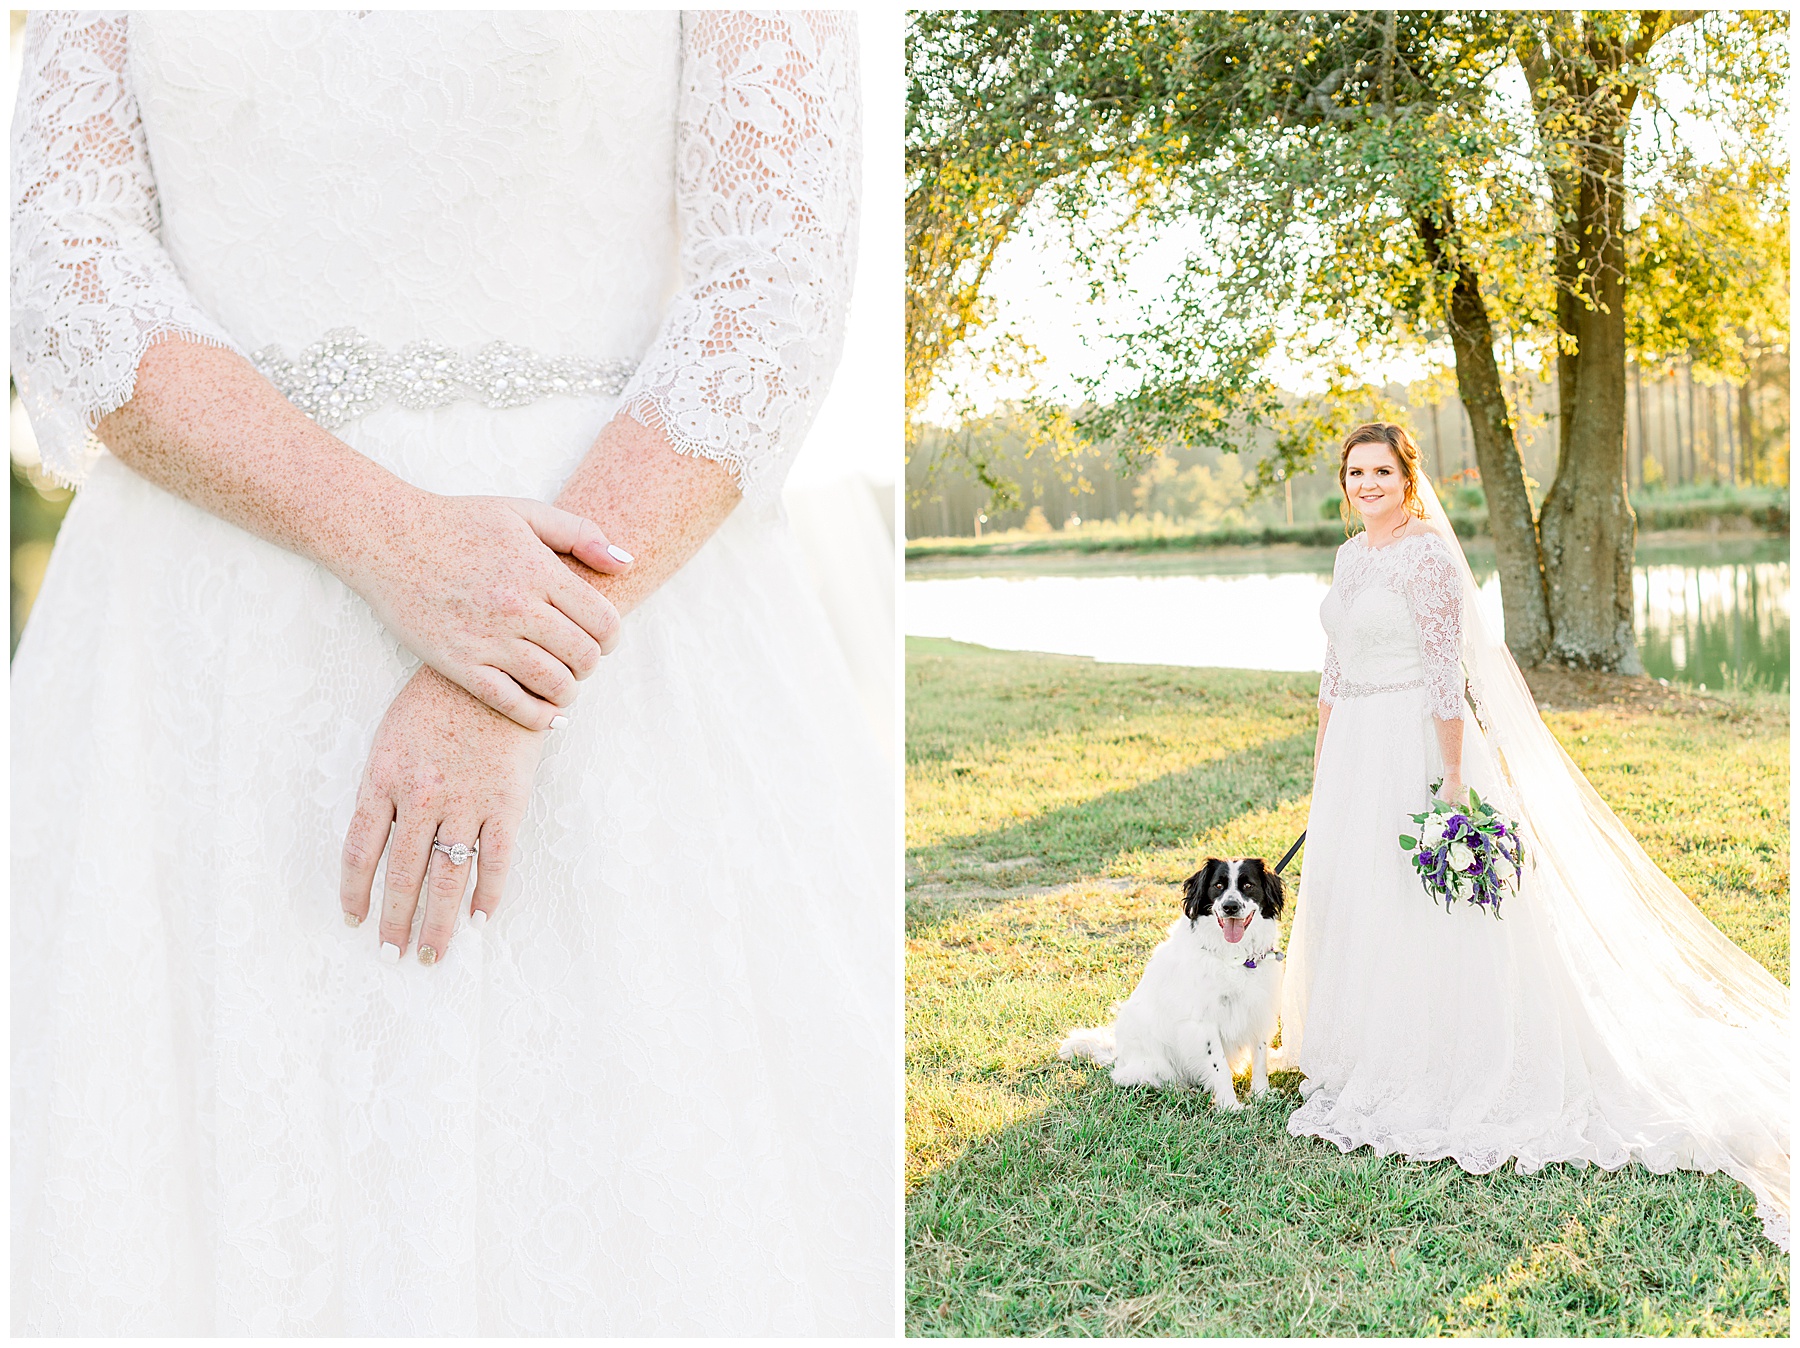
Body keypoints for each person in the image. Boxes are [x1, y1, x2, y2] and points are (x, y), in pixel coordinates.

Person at [10, 11, 892, 1334]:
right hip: (185, 659)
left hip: (614, 605)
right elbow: (65, 269)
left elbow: (772, 283)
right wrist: (395, 543)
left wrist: (514, 660)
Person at [1281, 422, 1788, 1250]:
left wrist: (1450, 778)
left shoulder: (1428, 559)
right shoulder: (1350, 557)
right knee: (1365, 900)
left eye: (1381, 471)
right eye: (1355, 471)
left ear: (1408, 480)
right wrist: (1323, 766)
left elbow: (1444, 673)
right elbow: (1334, 672)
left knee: (1427, 909)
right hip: (1354, 758)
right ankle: (1364, 1046)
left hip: (1414, 745)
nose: (1366, 483)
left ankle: (1447, 1057)